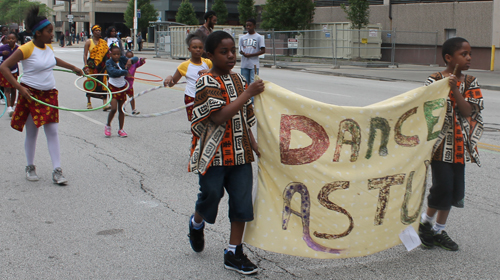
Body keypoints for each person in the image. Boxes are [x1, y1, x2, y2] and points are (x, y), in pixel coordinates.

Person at [187, 31, 264, 275]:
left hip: (240, 153)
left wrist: (252, 142)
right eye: (224, 52)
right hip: (214, 155)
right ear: (210, 56)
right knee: (211, 194)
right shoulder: (206, 81)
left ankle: (234, 251)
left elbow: (245, 117)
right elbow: (219, 116)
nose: (231, 56)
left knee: (242, 201)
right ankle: (197, 222)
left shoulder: (240, 80)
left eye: (233, 51)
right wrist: (248, 94)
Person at [0, 6, 83, 185]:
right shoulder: (25, 49)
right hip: (31, 94)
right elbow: (4, 67)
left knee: (52, 131)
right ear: (38, 33)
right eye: (49, 31)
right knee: (32, 132)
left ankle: (57, 170)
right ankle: (30, 166)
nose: (52, 34)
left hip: (49, 93)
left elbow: (54, 61)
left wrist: (74, 68)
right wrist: (20, 88)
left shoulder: (47, 47)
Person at [418, 37, 484, 251]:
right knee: (442, 186)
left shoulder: (470, 82)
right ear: (449, 57)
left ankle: (438, 229)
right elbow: (424, 108)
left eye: (470, 54)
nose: (469, 58)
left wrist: (455, 89)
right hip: (438, 146)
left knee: (454, 189)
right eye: (463, 54)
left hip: (459, 147)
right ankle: (425, 223)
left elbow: (467, 111)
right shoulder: (435, 79)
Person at [164, 34, 211, 121]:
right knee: (194, 122)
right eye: (194, 47)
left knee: (207, 121)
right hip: (191, 97)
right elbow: (172, 83)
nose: (198, 50)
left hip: (206, 97)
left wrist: (210, 71)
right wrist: (169, 77)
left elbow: (221, 73)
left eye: (200, 47)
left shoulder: (208, 63)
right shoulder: (184, 66)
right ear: (189, 49)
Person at [104, 45, 138, 138]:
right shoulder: (108, 62)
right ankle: (108, 125)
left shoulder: (123, 59)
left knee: (121, 110)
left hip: (122, 86)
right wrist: (124, 72)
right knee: (114, 108)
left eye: (118, 54)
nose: (116, 56)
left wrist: (131, 60)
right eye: (114, 54)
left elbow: (136, 58)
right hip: (113, 86)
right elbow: (112, 72)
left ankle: (121, 129)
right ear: (110, 54)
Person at [83, 25, 111, 110]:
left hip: (102, 66)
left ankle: (105, 104)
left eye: (99, 30)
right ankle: (89, 102)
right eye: (96, 30)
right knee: (90, 83)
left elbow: (107, 54)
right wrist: (85, 65)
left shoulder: (103, 42)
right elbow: (85, 54)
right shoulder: (89, 42)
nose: (98, 32)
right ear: (93, 32)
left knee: (103, 83)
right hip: (92, 65)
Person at [239, 18, 265, 86]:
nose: (248, 27)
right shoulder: (243, 37)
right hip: (244, 64)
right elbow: (240, 49)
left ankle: (253, 97)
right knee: (245, 83)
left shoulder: (259, 37)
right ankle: (247, 97)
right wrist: (242, 53)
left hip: (254, 65)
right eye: (247, 25)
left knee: (253, 83)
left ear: (254, 26)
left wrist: (251, 55)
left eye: (250, 25)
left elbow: (263, 50)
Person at [0, 32, 19, 117]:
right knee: (7, 90)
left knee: (14, 89)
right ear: (7, 40)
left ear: (16, 40)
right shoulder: (3, 47)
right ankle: (9, 107)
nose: (11, 40)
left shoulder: (18, 49)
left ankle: (12, 106)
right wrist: (2, 53)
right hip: (5, 71)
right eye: (9, 38)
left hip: (14, 71)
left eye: (13, 39)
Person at [124, 50, 145, 115]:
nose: (130, 59)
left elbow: (139, 63)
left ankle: (133, 109)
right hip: (122, 84)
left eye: (131, 58)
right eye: (128, 57)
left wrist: (142, 60)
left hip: (130, 84)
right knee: (123, 98)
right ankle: (123, 109)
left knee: (131, 97)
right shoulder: (123, 63)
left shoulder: (134, 64)